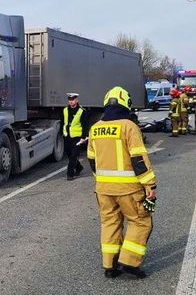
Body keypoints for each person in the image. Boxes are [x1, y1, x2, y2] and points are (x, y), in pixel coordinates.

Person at [87, 86, 157, 279]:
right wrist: (150, 185)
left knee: (110, 223)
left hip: (103, 189)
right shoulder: (128, 126)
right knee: (140, 221)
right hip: (129, 188)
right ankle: (129, 261)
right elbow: (138, 159)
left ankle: (110, 265)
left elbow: (92, 160)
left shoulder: (95, 128)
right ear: (126, 103)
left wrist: (101, 181)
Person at [63, 92, 89, 181]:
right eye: (69, 100)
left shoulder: (82, 111)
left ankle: (70, 173)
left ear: (77, 100)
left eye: (73, 100)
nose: (71, 101)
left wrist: (83, 137)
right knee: (69, 154)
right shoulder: (65, 110)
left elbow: (85, 125)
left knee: (74, 155)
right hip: (67, 136)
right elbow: (64, 122)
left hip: (77, 137)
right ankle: (79, 167)